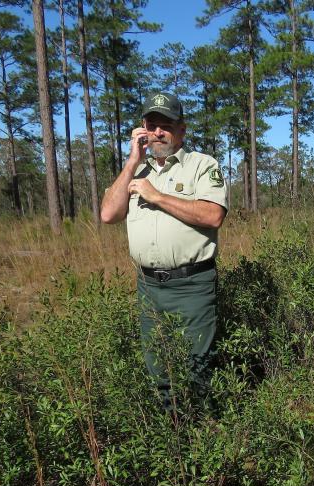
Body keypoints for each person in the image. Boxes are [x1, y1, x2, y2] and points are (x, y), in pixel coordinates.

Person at [100, 92, 227, 413]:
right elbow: (108, 215)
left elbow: (213, 215)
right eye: (151, 124)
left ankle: (204, 439)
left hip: (192, 286)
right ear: (142, 128)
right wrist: (132, 161)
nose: (157, 132)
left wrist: (155, 196)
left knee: (197, 368)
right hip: (148, 287)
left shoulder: (201, 165)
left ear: (181, 130)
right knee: (160, 369)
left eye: (165, 126)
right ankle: (174, 438)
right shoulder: (134, 172)